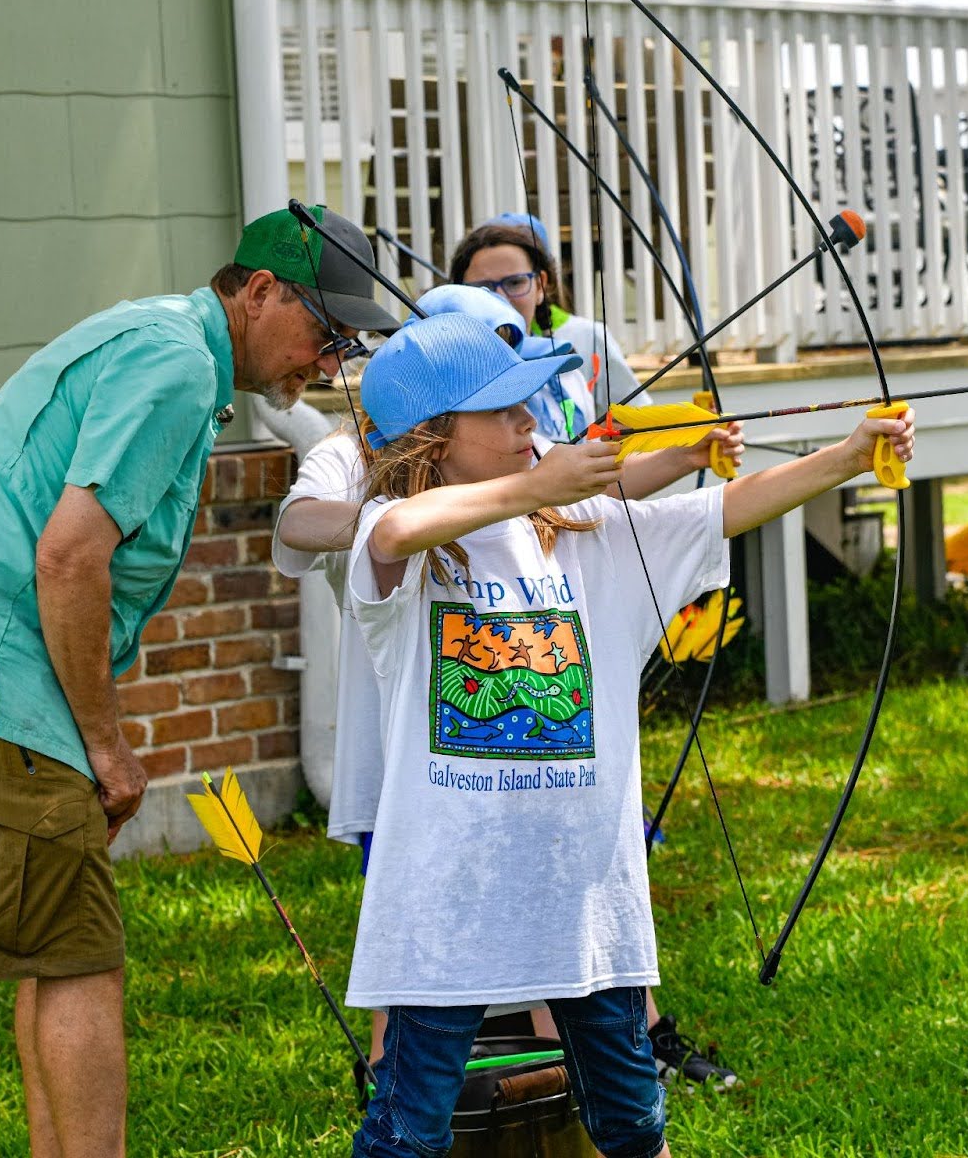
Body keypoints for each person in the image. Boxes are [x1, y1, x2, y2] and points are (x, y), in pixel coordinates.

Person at [0, 205, 400, 1158]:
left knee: (50, 955)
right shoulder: (179, 365)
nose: (329, 360)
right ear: (261, 292)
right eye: (326, 331)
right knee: (81, 963)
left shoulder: (159, 337)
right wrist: (107, 748)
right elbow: (69, 559)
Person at [344, 312, 915, 1156]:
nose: (528, 423)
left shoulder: (590, 538)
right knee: (408, 1132)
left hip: (585, 904)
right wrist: (540, 487)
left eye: (526, 406)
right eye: (501, 413)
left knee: (634, 1123)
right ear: (434, 436)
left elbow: (723, 509)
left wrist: (847, 454)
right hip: (445, 907)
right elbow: (393, 529)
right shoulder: (408, 550)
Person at [270, 282, 740, 1076]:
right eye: (494, 382)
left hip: (514, 740)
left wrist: (682, 457)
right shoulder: (359, 448)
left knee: (545, 929)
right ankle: (393, 1081)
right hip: (407, 735)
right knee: (422, 938)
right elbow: (302, 523)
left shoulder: (517, 443)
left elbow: (584, 504)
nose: (521, 411)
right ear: (435, 406)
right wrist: (441, 512)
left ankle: (550, 1090)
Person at [450, 215, 654, 417]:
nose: (501, 299)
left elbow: (636, 417)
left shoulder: (576, 358)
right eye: (483, 288)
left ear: (540, 285)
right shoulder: (448, 367)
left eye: (515, 283)